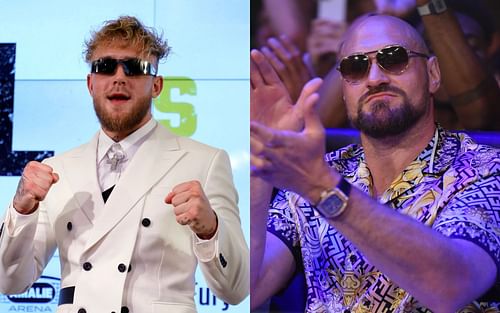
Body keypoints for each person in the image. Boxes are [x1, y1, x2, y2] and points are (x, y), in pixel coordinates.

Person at [250, 13, 499, 313]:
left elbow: (450, 285)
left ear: (433, 74)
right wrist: (260, 161)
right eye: (356, 66)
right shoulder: (319, 173)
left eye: (394, 59)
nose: (375, 78)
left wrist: (324, 190)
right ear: (343, 89)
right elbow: (245, 291)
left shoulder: (485, 169)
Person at [0, 16, 249, 313]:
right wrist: (21, 209)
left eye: (134, 67)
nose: (119, 77)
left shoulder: (204, 161)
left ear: (156, 85)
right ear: (91, 83)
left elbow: (236, 289)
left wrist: (210, 229)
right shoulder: (58, 170)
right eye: (105, 66)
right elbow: (10, 282)